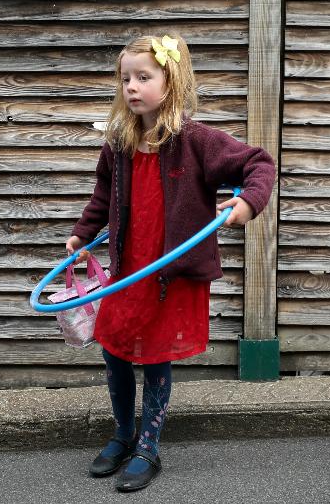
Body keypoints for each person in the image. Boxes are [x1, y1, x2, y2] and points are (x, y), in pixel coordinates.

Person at [66, 34, 276, 492]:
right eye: (125, 78)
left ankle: (148, 445)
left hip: (170, 275)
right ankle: (122, 434)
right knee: (115, 349)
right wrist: (83, 234)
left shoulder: (196, 141)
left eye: (143, 77)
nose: (132, 87)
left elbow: (259, 164)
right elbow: (103, 196)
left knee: (156, 357)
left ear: (171, 81)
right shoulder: (119, 143)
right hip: (127, 272)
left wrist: (245, 205)